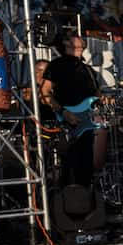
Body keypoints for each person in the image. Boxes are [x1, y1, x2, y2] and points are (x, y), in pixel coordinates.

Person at [41, 32, 104, 187]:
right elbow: (44, 92)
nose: (81, 44)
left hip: (86, 123)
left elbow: (97, 96)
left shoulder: (88, 70)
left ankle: (84, 202)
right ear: (67, 43)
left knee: (86, 166)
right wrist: (63, 112)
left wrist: (101, 107)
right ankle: (66, 202)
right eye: (77, 40)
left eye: (82, 44)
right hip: (66, 122)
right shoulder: (56, 65)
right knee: (68, 165)